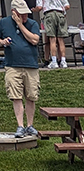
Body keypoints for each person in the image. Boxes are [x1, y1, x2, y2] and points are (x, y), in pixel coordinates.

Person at [0, 0, 41, 138]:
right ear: (14, 12)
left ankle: (30, 125)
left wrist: (20, 25)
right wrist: (2, 42)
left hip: (31, 65)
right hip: (12, 65)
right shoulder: (4, 23)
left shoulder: (32, 24)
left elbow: (34, 40)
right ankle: (20, 126)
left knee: (31, 96)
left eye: (26, 14)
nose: (25, 17)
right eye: (22, 14)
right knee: (15, 96)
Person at [38, 0, 69, 69]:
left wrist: (34, 9)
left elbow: (39, 7)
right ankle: (63, 61)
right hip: (60, 14)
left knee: (52, 39)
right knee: (61, 40)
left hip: (49, 14)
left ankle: (54, 61)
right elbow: (67, 6)